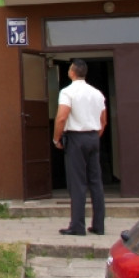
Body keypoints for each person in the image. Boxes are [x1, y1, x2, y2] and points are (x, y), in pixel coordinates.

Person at [52, 59, 107, 236]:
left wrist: (56, 138)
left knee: (77, 182)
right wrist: (95, 135)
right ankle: (99, 225)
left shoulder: (68, 92)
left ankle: (77, 225)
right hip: (93, 136)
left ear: (72, 72)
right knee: (95, 181)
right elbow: (103, 120)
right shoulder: (97, 93)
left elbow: (62, 117)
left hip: (76, 137)